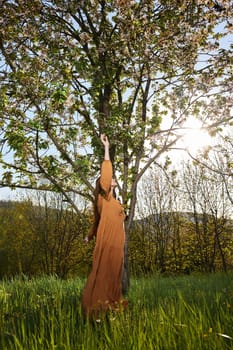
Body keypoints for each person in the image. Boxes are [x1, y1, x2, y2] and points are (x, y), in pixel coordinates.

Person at [81, 134, 127, 319]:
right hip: (108, 241)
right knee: (104, 272)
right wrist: (106, 148)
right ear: (104, 184)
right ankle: (95, 309)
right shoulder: (104, 197)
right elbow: (106, 173)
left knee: (114, 275)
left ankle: (110, 307)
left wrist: (89, 235)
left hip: (117, 244)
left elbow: (97, 221)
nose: (112, 179)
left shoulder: (114, 201)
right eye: (108, 180)